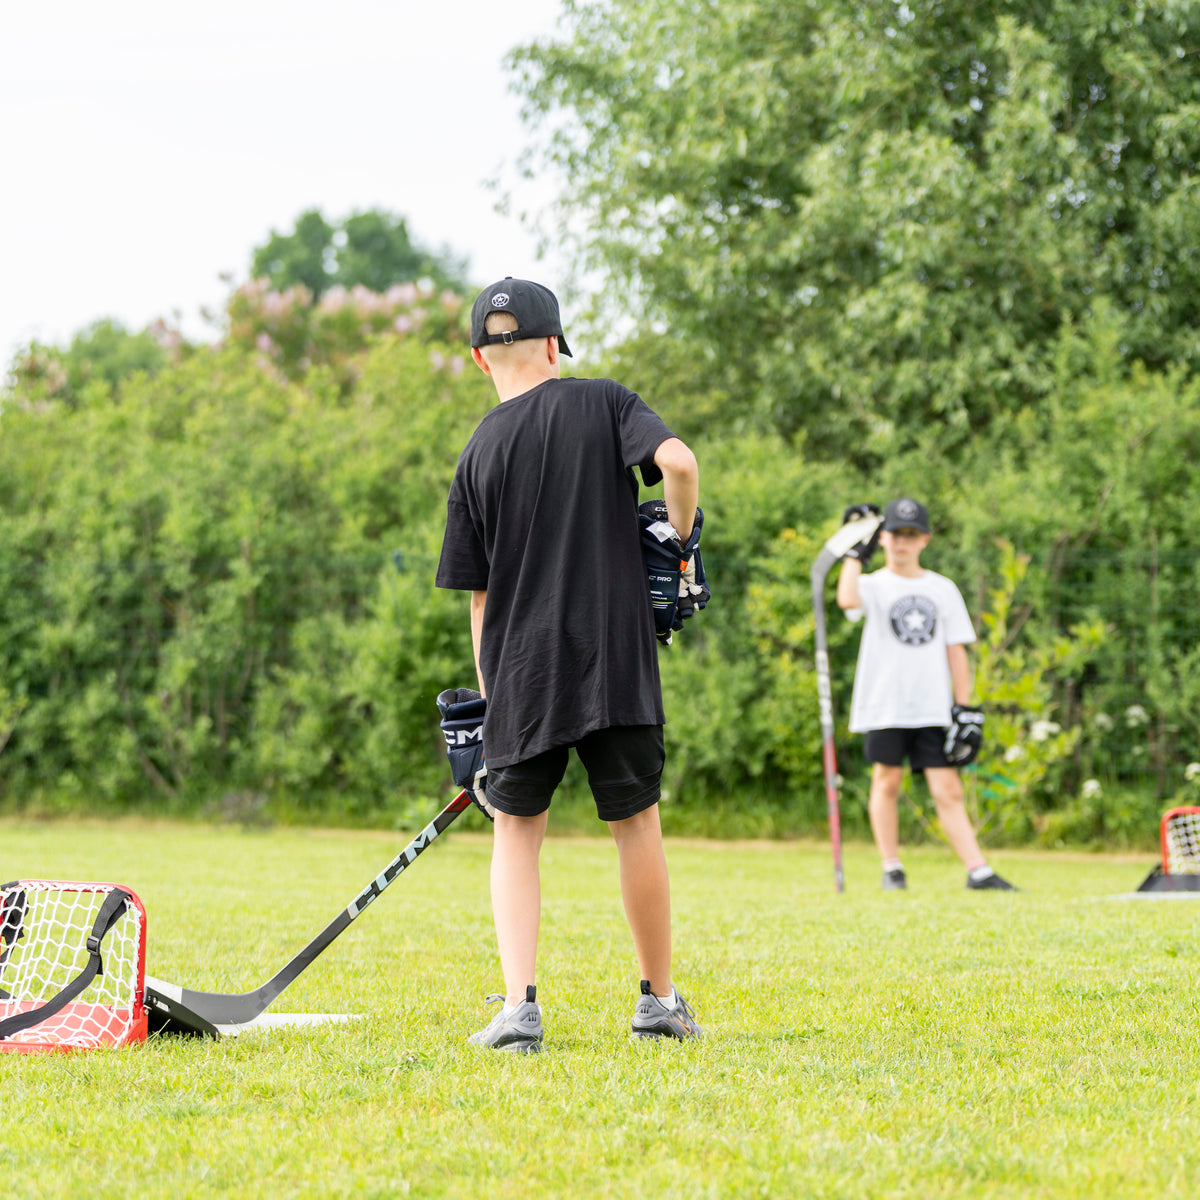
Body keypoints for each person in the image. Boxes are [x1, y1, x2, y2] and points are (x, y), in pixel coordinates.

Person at [436, 277, 705, 1052]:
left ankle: (520, 1009)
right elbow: (679, 465)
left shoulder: (476, 454)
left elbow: (480, 601)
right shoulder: (606, 402)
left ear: (483, 361)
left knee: (517, 832)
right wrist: (679, 552)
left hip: (523, 672)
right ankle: (658, 1000)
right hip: (615, 659)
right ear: (553, 347)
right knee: (635, 822)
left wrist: (495, 706)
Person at [835, 497, 1017, 892]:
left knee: (947, 788)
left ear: (925, 540)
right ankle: (891, 868)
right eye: (896, 534)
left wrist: (965, 707)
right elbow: (846, 599)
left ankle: (978, 871)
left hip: (932, 706)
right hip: (885, 703)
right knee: (887, 782)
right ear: (883, 539)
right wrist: (854, 552)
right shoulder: (872, 583)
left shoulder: (942, 588)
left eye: (911, 535)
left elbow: (957, 650)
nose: (903, 542)